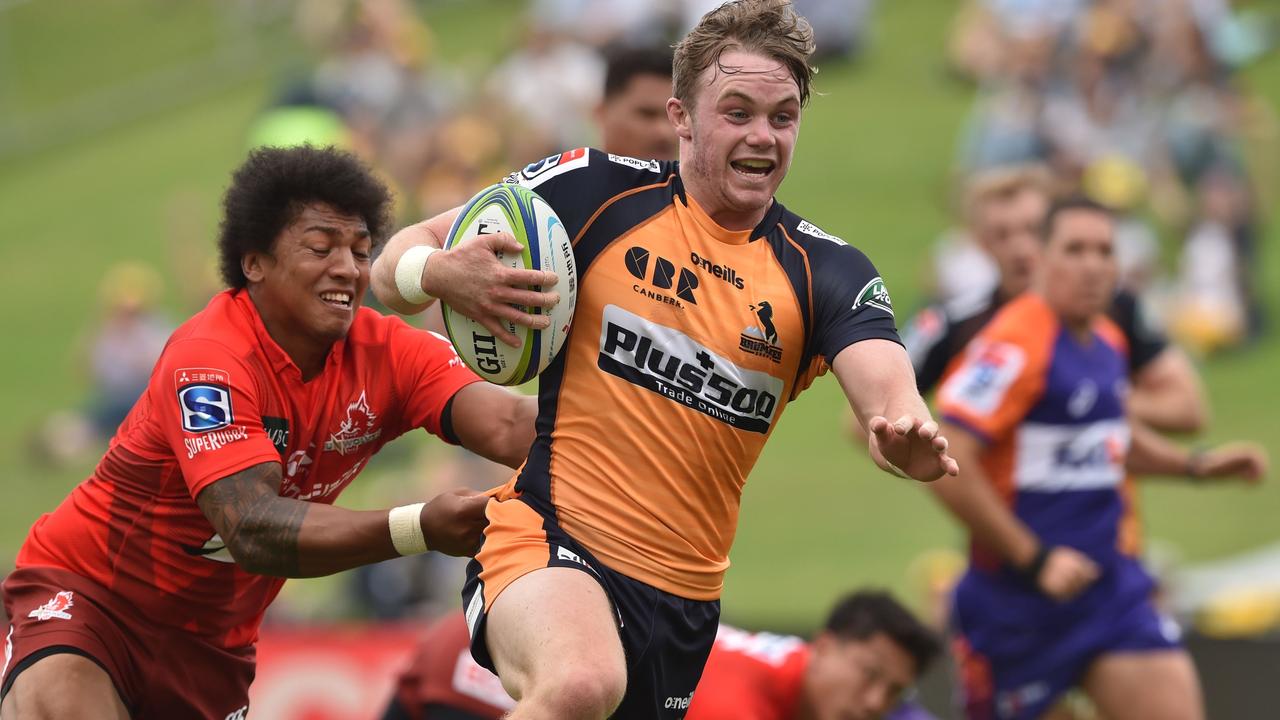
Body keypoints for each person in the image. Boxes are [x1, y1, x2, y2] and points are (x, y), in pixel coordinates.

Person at [371, 3, 958, 718]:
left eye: (782, 117)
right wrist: (440, 272)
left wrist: (903, 429)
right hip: (548, 539)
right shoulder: (591, 189)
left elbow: (887, 383)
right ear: (682, 116)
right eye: (737, 112)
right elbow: (391, 262)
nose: (762, 136)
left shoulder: (825, 269)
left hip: (683, 602)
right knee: (579, 684)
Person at [0, 145, 555, 720]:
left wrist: (631, 408)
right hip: (92, 601)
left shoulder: (388, 352)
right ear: (254, 262)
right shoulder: (209, 357)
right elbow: (252, 526)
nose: (348, 267)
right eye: (321, 247)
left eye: (361, 251)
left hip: (213, 648)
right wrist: (421, 526)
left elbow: (514, 424)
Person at [930, 196, 1268, 720]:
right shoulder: (1013, 344)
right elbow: (947, 464)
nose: (1092, 265)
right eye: (1075, 249)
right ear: (1040, 259)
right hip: (1017, 608)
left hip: (1111, 593)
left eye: (1104, 251)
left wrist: (1196, 467)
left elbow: (1110, 437)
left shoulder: (1108, 339)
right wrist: (1035, 559)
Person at [904, 165, 1208, 435]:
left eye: (1032, 230)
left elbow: (1188, 409)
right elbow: (877, 418)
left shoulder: (1113, 306)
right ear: (980, 243)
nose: (1020, 248)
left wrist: (1089, 401)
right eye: (1002, 234)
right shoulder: (953, 322)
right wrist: (959, 436)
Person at [382, 590, 940, 720]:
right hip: (474, 677)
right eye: (869, 676)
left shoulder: (795, 674)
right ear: (826, 646)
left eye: (891, 691)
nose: (873, 703)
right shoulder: (742, 700)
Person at [595, 45, 680, 161]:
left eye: (676, 116)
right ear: (602, 113)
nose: (665, 133)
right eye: (647, 115)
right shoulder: (567, 177)